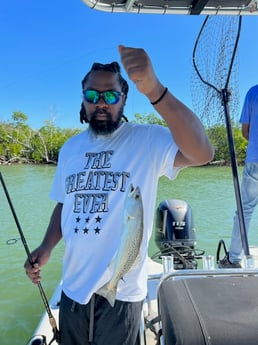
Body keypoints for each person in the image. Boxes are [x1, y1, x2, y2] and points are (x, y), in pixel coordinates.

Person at [24, 45, 214, 345]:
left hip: (122, 292)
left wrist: (155, 91)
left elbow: (203, 152)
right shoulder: (70, 148)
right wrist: (46, 246)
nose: (101, 103)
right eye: (92, 95)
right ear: (83, 99)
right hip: (72, 290)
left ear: (123, 99)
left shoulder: (146, 139)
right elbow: (65, 203)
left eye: (111, 96)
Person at [219, 84, 258, 269]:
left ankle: (234, 259)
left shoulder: (253, 92)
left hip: (255, 160)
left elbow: (245, 131)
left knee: (245, 210)